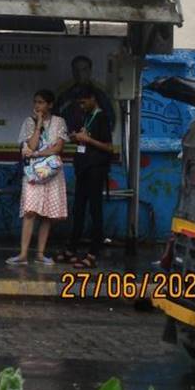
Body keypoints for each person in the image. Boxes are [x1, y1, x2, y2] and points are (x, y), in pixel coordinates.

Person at [6, 89, 68, 266]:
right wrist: (38, 124)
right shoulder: (29, 122)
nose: (37, 106)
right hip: (33, 173)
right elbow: (30, 145)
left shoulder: (59, 122)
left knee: (47, 214)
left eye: (41, 102)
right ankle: (24, 254)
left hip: (51, 173)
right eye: (35, 102)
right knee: (30, 211)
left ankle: (40, 254)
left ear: (50, 104)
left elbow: (58, 148)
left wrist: (37, 154)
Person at [60, 84, 114, 268]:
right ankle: (71, 248)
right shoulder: (87, 116)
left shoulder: (102, 118)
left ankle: (93, 253)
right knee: (79, 209)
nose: (81, 106)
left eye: (84, 102)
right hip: (83, 168)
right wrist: (78, 138)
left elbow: (109, 147)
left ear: (92, 98)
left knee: (95, 210)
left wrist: (88, 140)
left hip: (96, 170)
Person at [55, 55, 116, 136]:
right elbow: (55, 119)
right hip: (69, 143)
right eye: (76, 70)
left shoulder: (100, 95)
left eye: (84, 70)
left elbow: (110, 121)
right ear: (72, 71)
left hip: (93, 142)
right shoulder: (65, 96)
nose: (80, 73)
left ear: (90, 71)